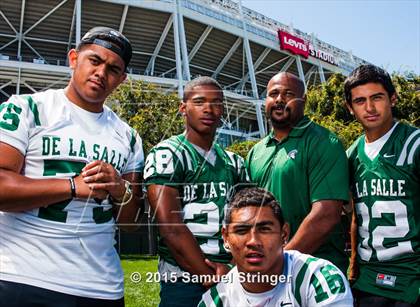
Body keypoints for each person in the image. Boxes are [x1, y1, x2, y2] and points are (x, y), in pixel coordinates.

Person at [0, 27, 144, 307]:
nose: (102, 73)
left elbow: (131, 222)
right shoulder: (27, 108)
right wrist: (71, 186)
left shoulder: (128, 136)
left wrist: (119, 189)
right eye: (95, 61)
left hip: (101, 286)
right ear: (74, 58)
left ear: (122, 79)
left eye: (113, 69)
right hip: (23, 276)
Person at [144, 76, 248, 307]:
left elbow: (247, 223)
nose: (209, 109)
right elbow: (171, 227)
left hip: (231, 275)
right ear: (183, 108)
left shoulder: (235, 162)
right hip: (183, 277)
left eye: (217, 102)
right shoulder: (167, 153)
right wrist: (210, 273)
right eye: (200, 101)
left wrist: (232, 269)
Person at [246, 72, 349, 273]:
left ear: (304, 100)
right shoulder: (255, 152)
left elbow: (326, 215)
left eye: (288, 94)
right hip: (266, 269)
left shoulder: (324, 143)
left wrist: (280, 262)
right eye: (273, 94)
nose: (279, 100)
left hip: (315, 271)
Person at [199, 187, 353, 306]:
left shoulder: (319, 279)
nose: (253, 241)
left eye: (265, 229)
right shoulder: (215, 300)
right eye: (241, 230)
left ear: (284, 234)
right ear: (226, 238)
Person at [345, 64, 419, 306]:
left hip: (413, 277)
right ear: (350, 107)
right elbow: (355, 216)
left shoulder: (414, 144)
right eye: (360, 101)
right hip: (369, 279)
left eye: (377, 97)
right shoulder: (351, 154)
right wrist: (354, 264)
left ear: (393, 99)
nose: (369, 108)